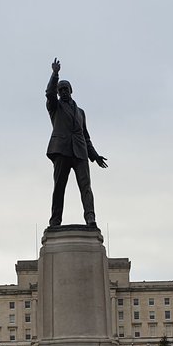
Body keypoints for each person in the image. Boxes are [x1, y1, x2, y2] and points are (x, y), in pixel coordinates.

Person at [45, 57, 107, 228]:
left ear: (71, 90)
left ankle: (90, 218)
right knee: (59, 187)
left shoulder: (81, 112)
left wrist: (95, 155)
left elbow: (85, 136)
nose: (64, 91)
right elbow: (49, 93)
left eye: (66, 89)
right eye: (61, 89)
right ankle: (55, 221)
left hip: (80, 152)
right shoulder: (54, 107)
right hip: (61, 150)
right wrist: (55, 74)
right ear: (58, 93)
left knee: (86, 187)